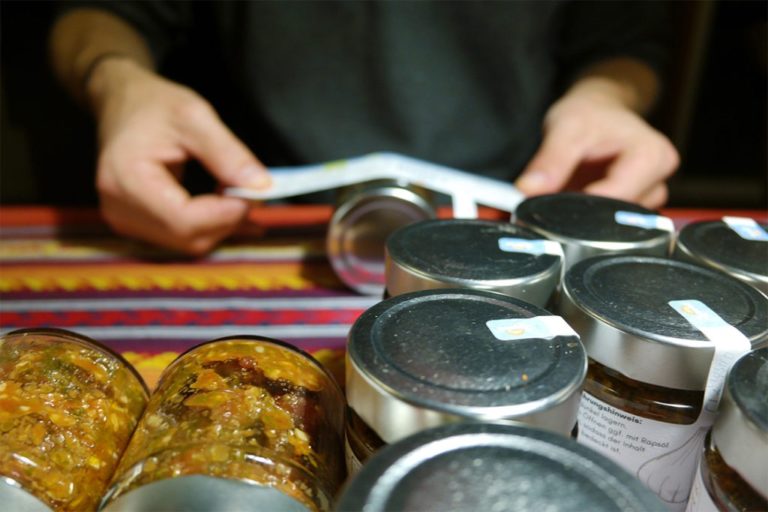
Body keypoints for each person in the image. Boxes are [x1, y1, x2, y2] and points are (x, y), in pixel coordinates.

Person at [49, 1, 679, 255]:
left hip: (510, 219)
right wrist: (118, 80)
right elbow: (97, 13)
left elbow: (625, 40)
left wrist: (607, 96)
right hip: (263, 224)